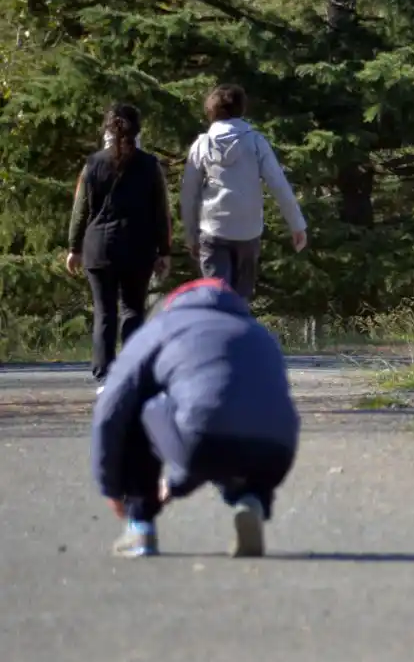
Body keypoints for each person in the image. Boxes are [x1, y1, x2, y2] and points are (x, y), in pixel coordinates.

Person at [90, 277, 301, 558]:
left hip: (204, 438)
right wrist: (178, 483)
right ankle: (251, 499)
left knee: (141, 406)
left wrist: (111, 486)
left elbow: (111, 408)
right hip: (276, 449)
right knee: (236, 416)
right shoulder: (258, 333)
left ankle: (139, 525)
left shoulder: (161, 328)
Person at [67, 104, 172, 391]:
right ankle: (133, 372)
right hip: (138, 247)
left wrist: (74, 247)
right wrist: (164, 251)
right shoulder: (149, 165)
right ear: (138, 131)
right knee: (133, 310)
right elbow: (160, 212)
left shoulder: (93, 163)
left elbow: (81, 210)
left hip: (99, 247)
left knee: (104, 312)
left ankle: (104, 375)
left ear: (107, 130)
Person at [180, 83, 308, 301]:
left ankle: (219, 334)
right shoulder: (256, 142)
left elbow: (189, 194)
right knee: (241, 301)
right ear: (242, 109)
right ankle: (240, 332)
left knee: (217, 300)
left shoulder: (201, 145)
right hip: (248, 232)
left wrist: (191, 235)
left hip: (212, 230)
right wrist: (297, 225)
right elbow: (278, 184)